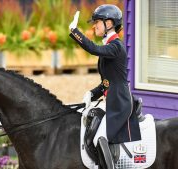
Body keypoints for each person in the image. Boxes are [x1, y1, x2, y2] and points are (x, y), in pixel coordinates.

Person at [69, 4, 141, 169]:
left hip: (119, 102)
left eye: (97, 22)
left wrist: (75, 31)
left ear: (109, 23)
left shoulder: (116, 46)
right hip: (112, 98)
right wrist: (92, 93)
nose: (94, 26)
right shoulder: (110, 46)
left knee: (99, 137)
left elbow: (93, 49)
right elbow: (108, 82)